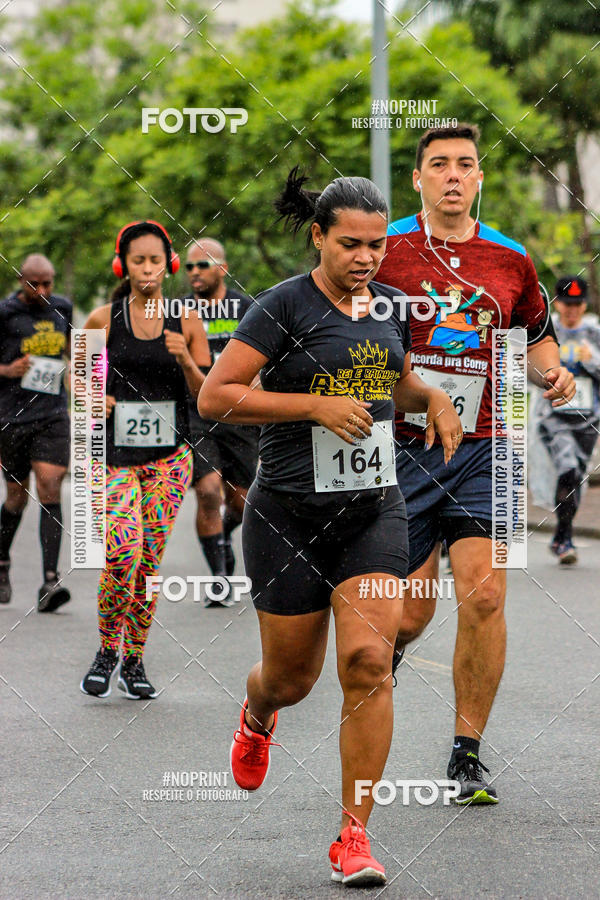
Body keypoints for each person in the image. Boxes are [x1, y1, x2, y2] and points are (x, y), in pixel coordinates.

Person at [198, 169, 462, 885]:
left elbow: (393, 379)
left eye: (376, 245)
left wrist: (430, 394)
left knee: (370, 664)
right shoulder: (281, 307)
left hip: (373, 506)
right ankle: (257, 714)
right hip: (286, 513)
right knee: (292, 678)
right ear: (318, 236)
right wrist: (313, 407)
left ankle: (355, 836)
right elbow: (217, 395)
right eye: (350, 244)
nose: (366, 258)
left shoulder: (392, 307)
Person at [376, 123, 575, 805]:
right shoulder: (387, 250)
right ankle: (387, 659)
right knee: (406, 615)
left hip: (486, 445)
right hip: (403, 446)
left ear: (480, 177)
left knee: (485, 593)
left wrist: (553, 375)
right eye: (440, 165)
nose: (453, 175)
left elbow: (535, 331)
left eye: (465, 164)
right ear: (419, 179)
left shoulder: (510, 259)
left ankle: (466, 753)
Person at [80, 220, 210, 700]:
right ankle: (105, 650)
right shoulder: (103, 319)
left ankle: (133, 660)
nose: (149, 269)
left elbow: (207, 395)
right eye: (139, 260)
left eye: (156, 259)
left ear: (169, 264)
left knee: (148, 565)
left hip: (169, 462)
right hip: (113, 459)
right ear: (123, 265)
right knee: (122, 552)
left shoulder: (186, 320)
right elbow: (78, 379)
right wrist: (96, 397)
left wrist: (187, 362)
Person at [184, 238, 259, 603]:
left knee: (242, 502)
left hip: (241, 413)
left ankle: (224, 536)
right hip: (196, 414)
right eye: (189, 267)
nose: (195, 272)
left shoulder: (247, 308)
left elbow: (265, 356)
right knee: (208, 491)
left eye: (203, 265)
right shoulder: (179, 311)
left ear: (223, 269)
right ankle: (219, 578)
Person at [0, 254, 72, 611]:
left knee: (50, 484)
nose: (42, 290)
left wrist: (81, 371)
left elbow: (78, 350)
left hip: (53, 415)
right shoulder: (5, 313)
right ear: (21, 280)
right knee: (16, 496)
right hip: (11, 416)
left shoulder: (63, 308)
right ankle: (2, 564)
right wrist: (7, 369)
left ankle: (49, 581)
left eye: (48, 283)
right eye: (34, 284)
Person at [534, 276, 600, 564]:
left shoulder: (595, 332)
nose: (572, 310)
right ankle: (565, 538)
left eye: (577, 304)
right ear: (557, 304)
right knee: (568, 467)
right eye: (566, 304)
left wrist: (591, 360)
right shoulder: (548, 333)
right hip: (555, 417)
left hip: (588, 418)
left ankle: (563, 534)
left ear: (584, 304)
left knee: (577, 476)